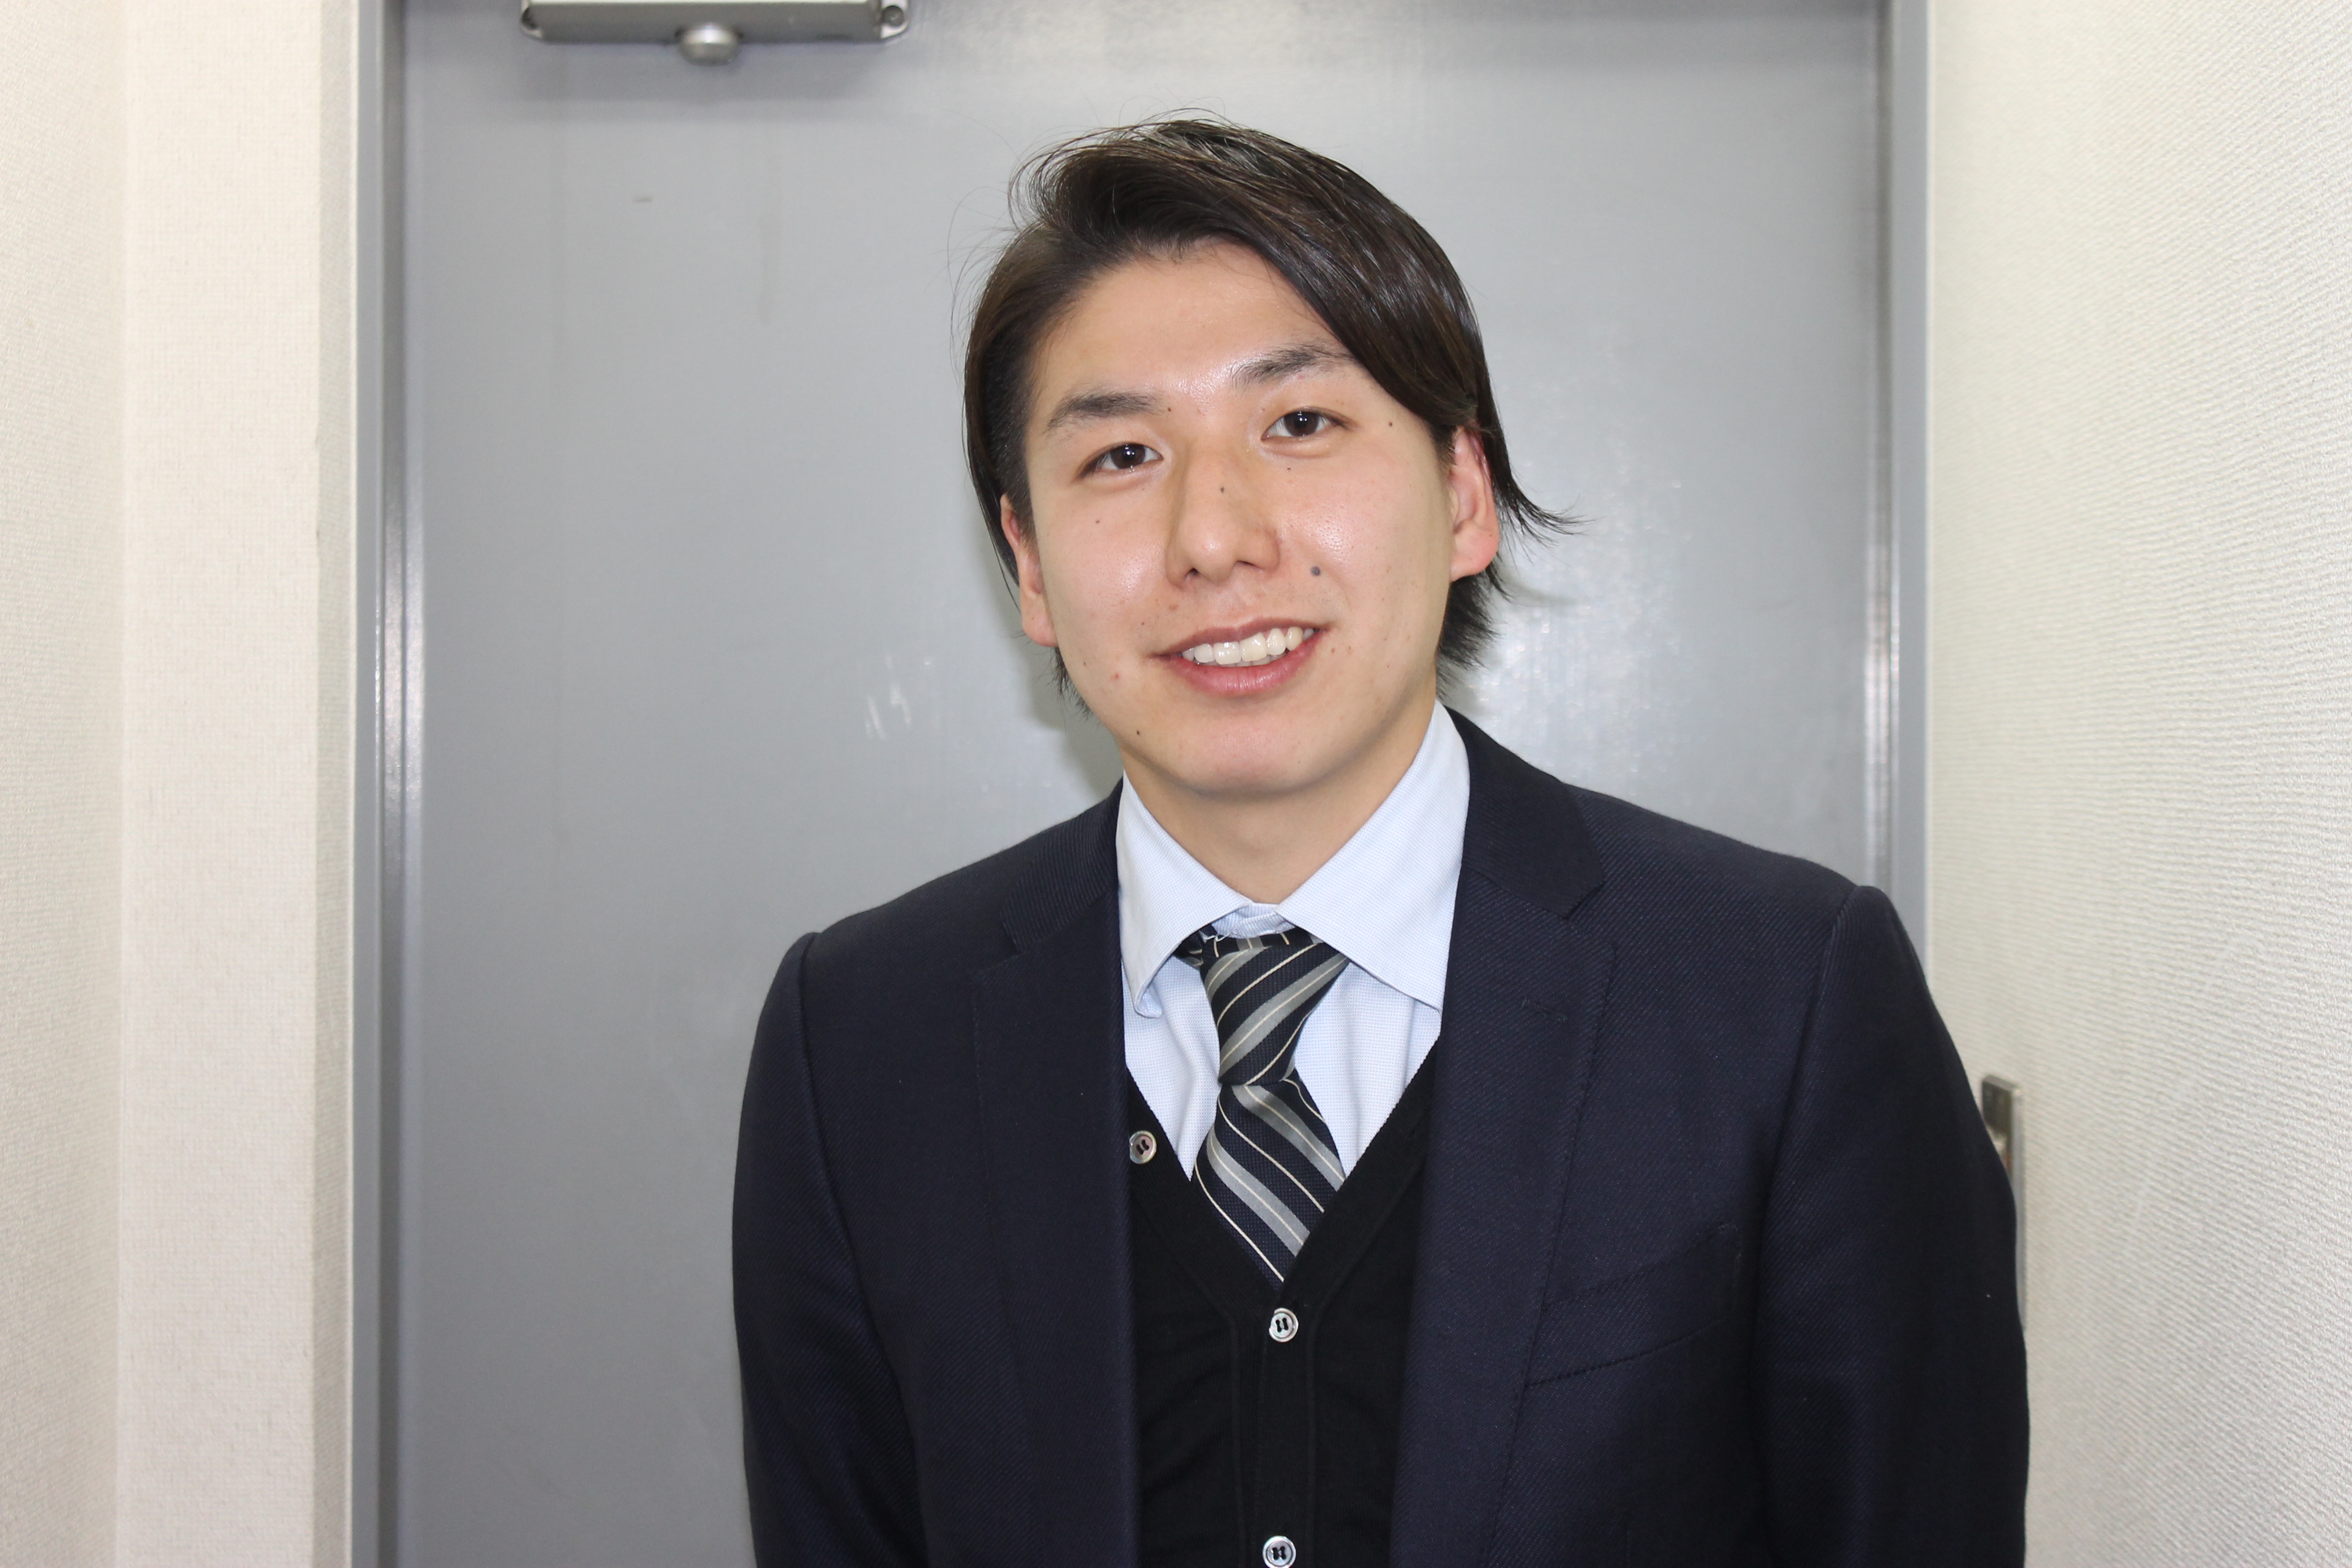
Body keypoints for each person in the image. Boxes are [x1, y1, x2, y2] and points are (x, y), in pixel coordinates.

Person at [732, 119, 2026, 1567]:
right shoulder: (863, 1039)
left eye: (1299, 425)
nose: (1214, 536)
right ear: (1030, 564)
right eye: (1122, 453)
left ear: (1464, 494)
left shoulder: (1781, 999)